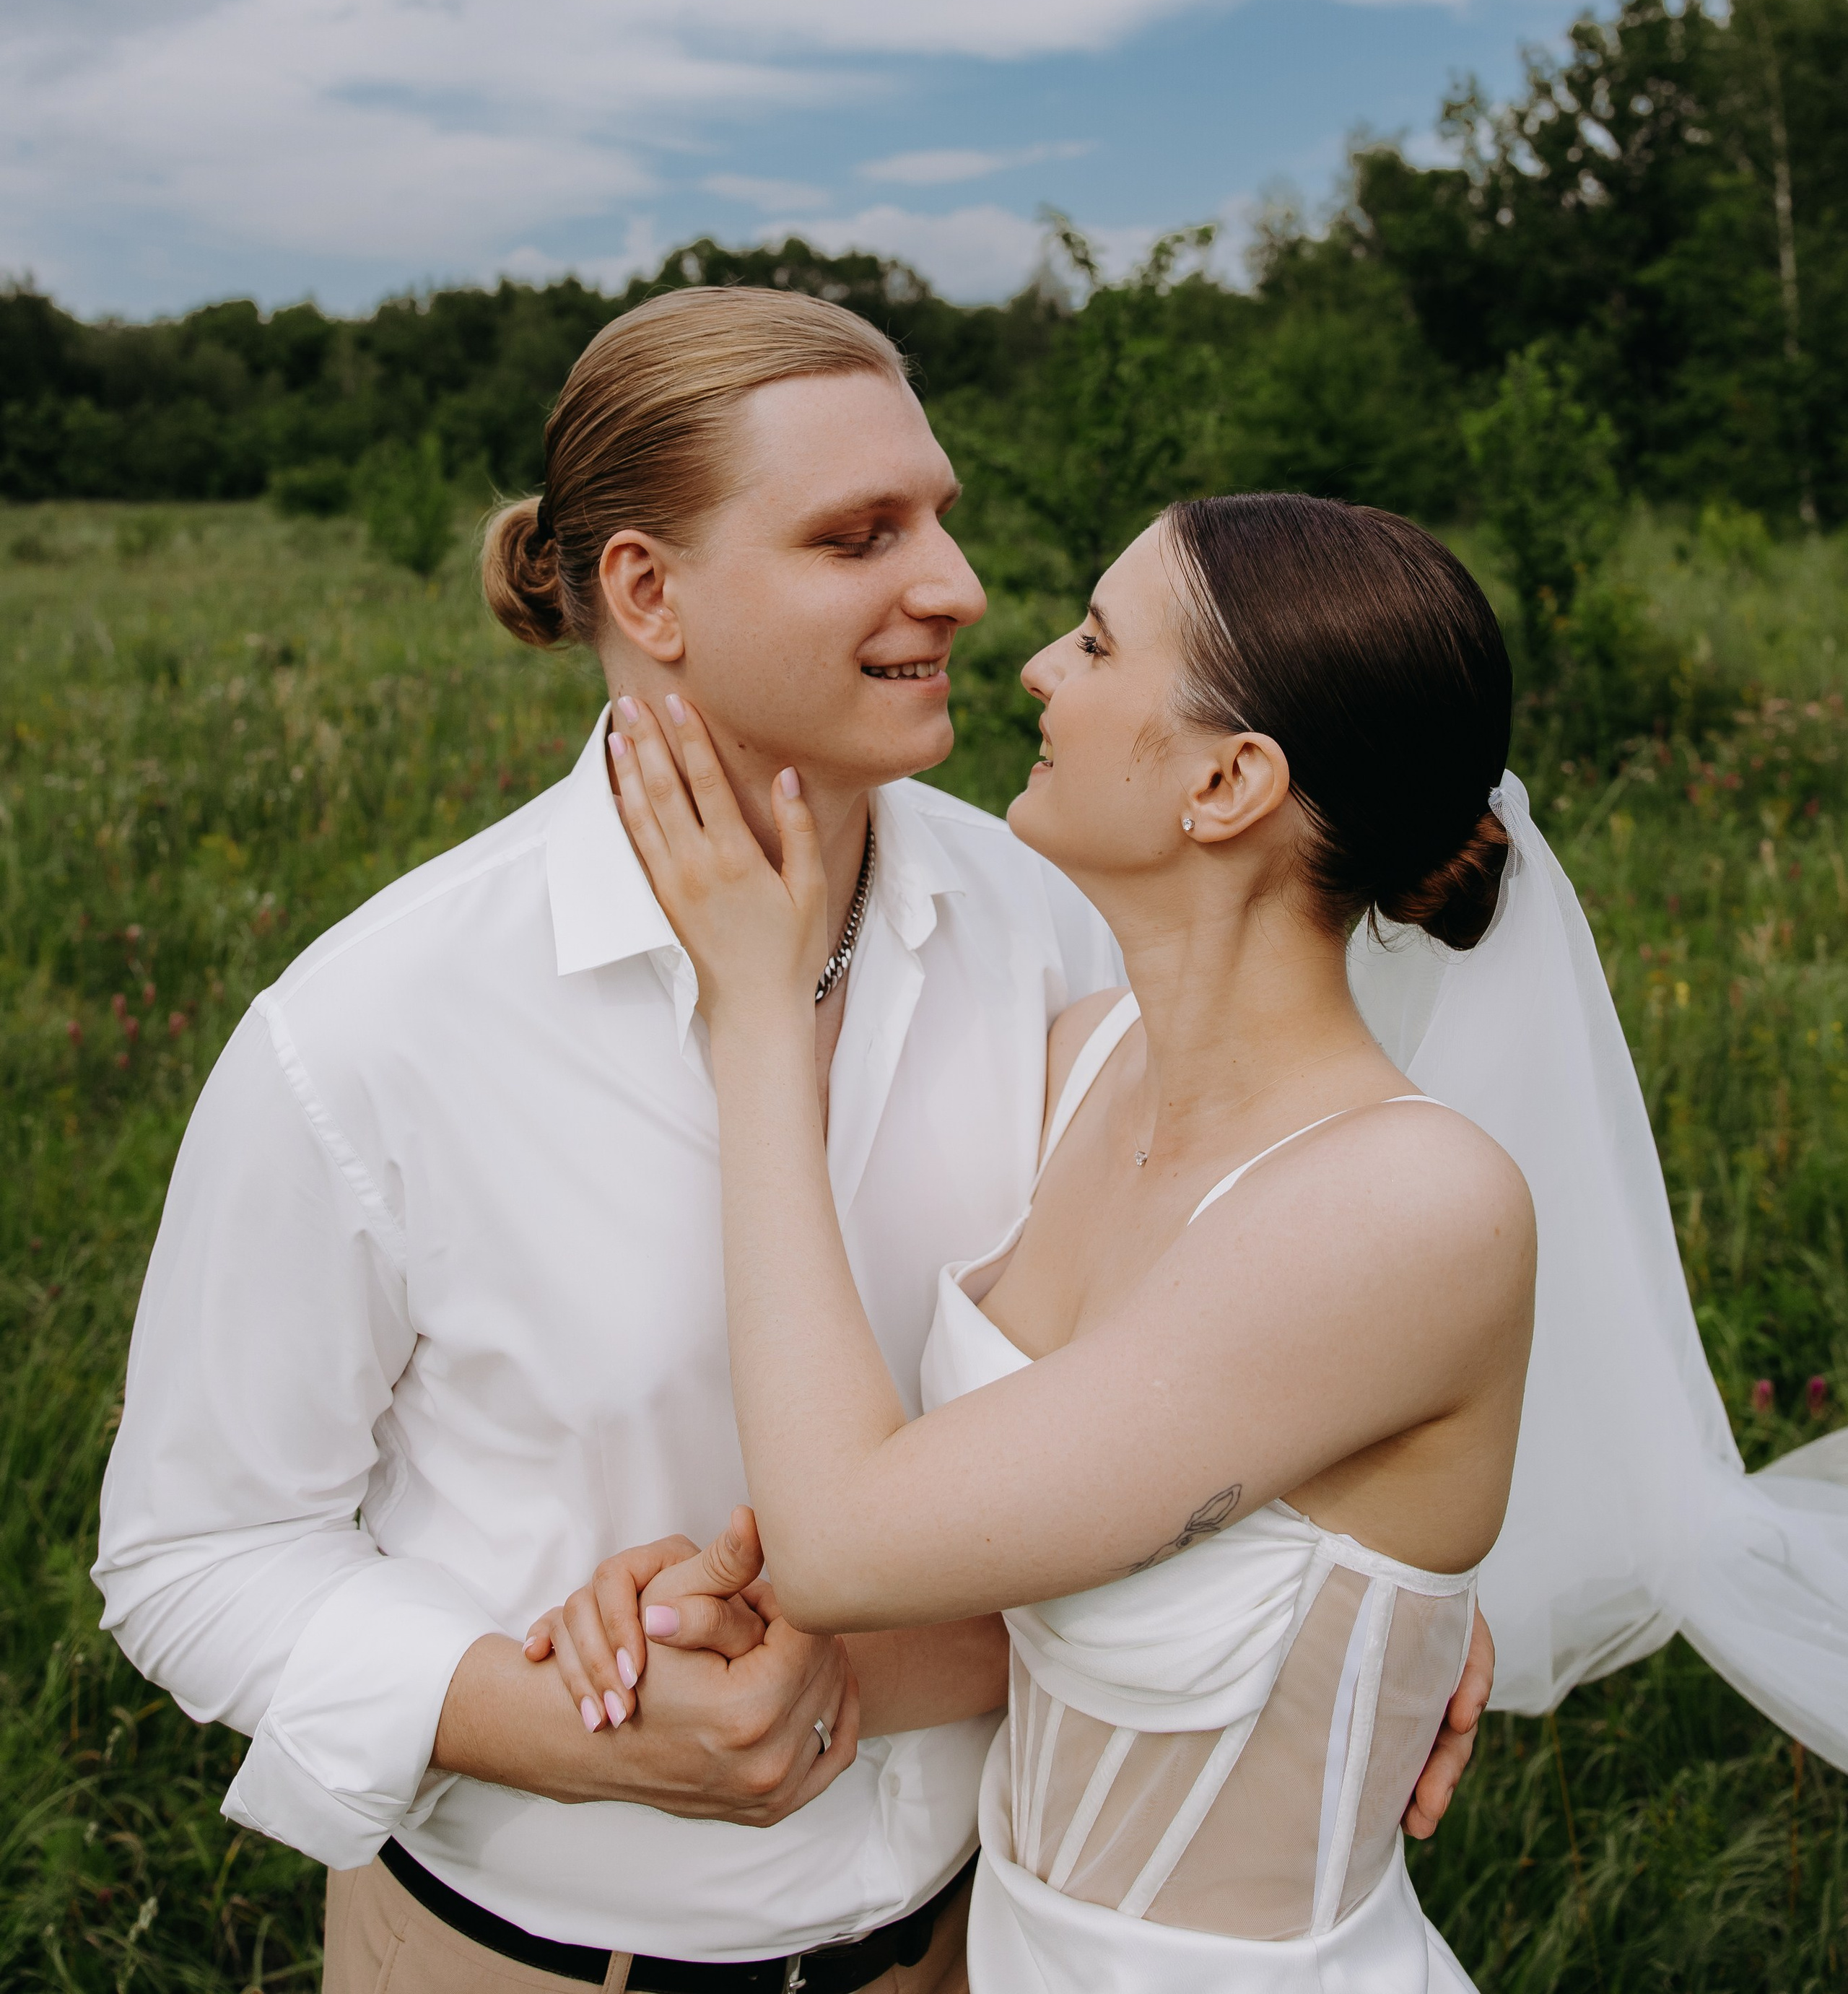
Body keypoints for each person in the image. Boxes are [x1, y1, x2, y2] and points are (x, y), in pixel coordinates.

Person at [95, 293, 1489, 1994]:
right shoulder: (373, 1032)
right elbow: (196, 1555)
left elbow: (1249, 1328)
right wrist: (552, 1723)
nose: (958, 590)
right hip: (531, 1962)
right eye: (856, 536)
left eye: (940, 519)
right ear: (646, 593)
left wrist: (1343, 1602)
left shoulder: (1050, 925)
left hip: (975, 1944)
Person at [548, 492, 1534, 1989]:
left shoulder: (1409, 1205)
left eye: (1093, 642)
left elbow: (847, 1540)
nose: (1033, 671)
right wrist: (714, 1595)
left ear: (1225, 783)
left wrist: (754, 1015)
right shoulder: (1077, 1065)